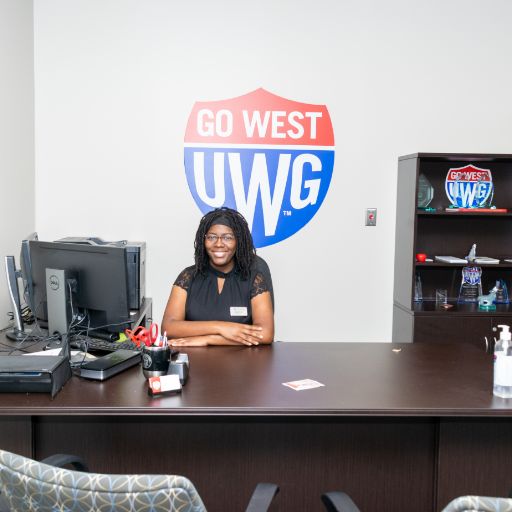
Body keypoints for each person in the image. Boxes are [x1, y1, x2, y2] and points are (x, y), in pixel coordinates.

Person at [162, 207, 274, 347]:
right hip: (195, 364)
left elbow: (266, 333)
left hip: (243, 365)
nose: (219, 244)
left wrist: (209, 339)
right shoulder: (188, 277)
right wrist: (220, 327)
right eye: (212, 237)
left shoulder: (254, 279)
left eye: (227, 237)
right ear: (204, 240)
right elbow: (168, 327)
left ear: (238, 241)